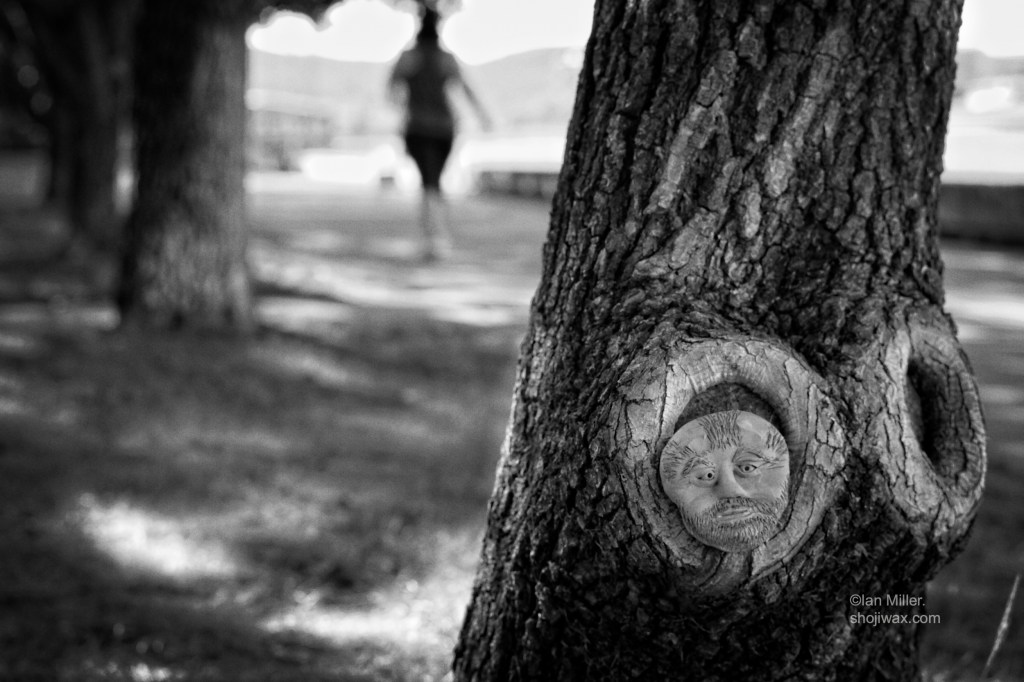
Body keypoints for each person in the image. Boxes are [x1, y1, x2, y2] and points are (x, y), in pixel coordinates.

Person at [387, 7, 491, 261]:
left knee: (428, 183)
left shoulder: (408, 58)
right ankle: (436, 237)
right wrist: (483, 117)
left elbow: (391, 89)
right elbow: (465, 89)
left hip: (418, 128)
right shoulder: (446, 58)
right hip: (444, 129)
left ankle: (433, 238)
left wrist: (403, 105)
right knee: (434, 182)